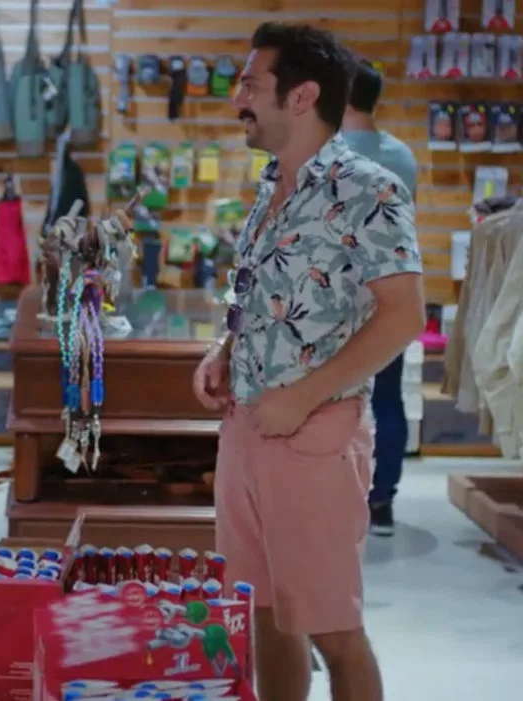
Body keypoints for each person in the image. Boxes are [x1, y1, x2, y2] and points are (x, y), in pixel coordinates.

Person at [193, 23, 425, 701]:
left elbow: (403, 316)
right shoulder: (272, 185)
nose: (238, 99)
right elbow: (262, 292)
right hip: (246, 428)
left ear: (301, 97)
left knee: (333, 629)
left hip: (313, 436)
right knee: (264, 613)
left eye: (250, 84)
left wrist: (302, 396)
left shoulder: (369, 189)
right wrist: (224, 349)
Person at [342, 59, 420, 537]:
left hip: (336, 301)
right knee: (388, 399)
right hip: (391, 291)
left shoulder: (326, 155)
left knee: (331, 399)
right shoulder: (403, 157)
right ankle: (383, 499)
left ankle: (336, 497)